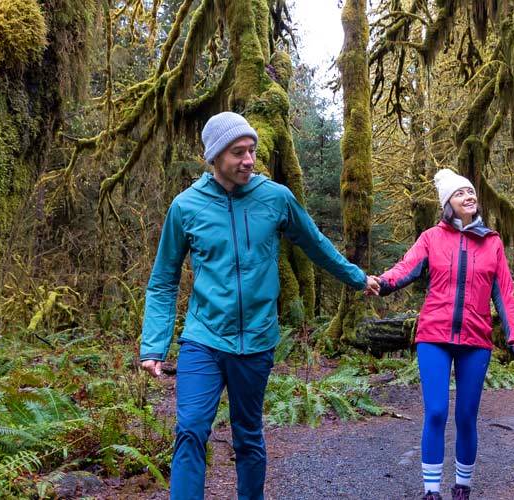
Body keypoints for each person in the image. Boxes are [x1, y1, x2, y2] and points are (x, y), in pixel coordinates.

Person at [139, 111, 381, 500]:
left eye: (251, 150)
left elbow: (314, 243)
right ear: (215, 157)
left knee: (248, 435)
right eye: (238, 152)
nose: (248, 160)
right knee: (190, 431)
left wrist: (356, 276)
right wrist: (154, 344)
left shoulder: (276, 198)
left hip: (256, 340)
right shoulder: (185, 207)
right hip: (203, 339)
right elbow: (163, 280)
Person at [368, 168, 514, 500]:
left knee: (467, 416)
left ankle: (462, 487)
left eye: (471, 192)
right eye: (460, 194)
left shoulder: (492, 243)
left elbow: (505, 294)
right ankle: (431, 491)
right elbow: (406, 268)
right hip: (434, 336)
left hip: (476, 340)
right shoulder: (432, 237)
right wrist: (382, 282)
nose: (469, 197)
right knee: (437, 412)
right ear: (448, 203)